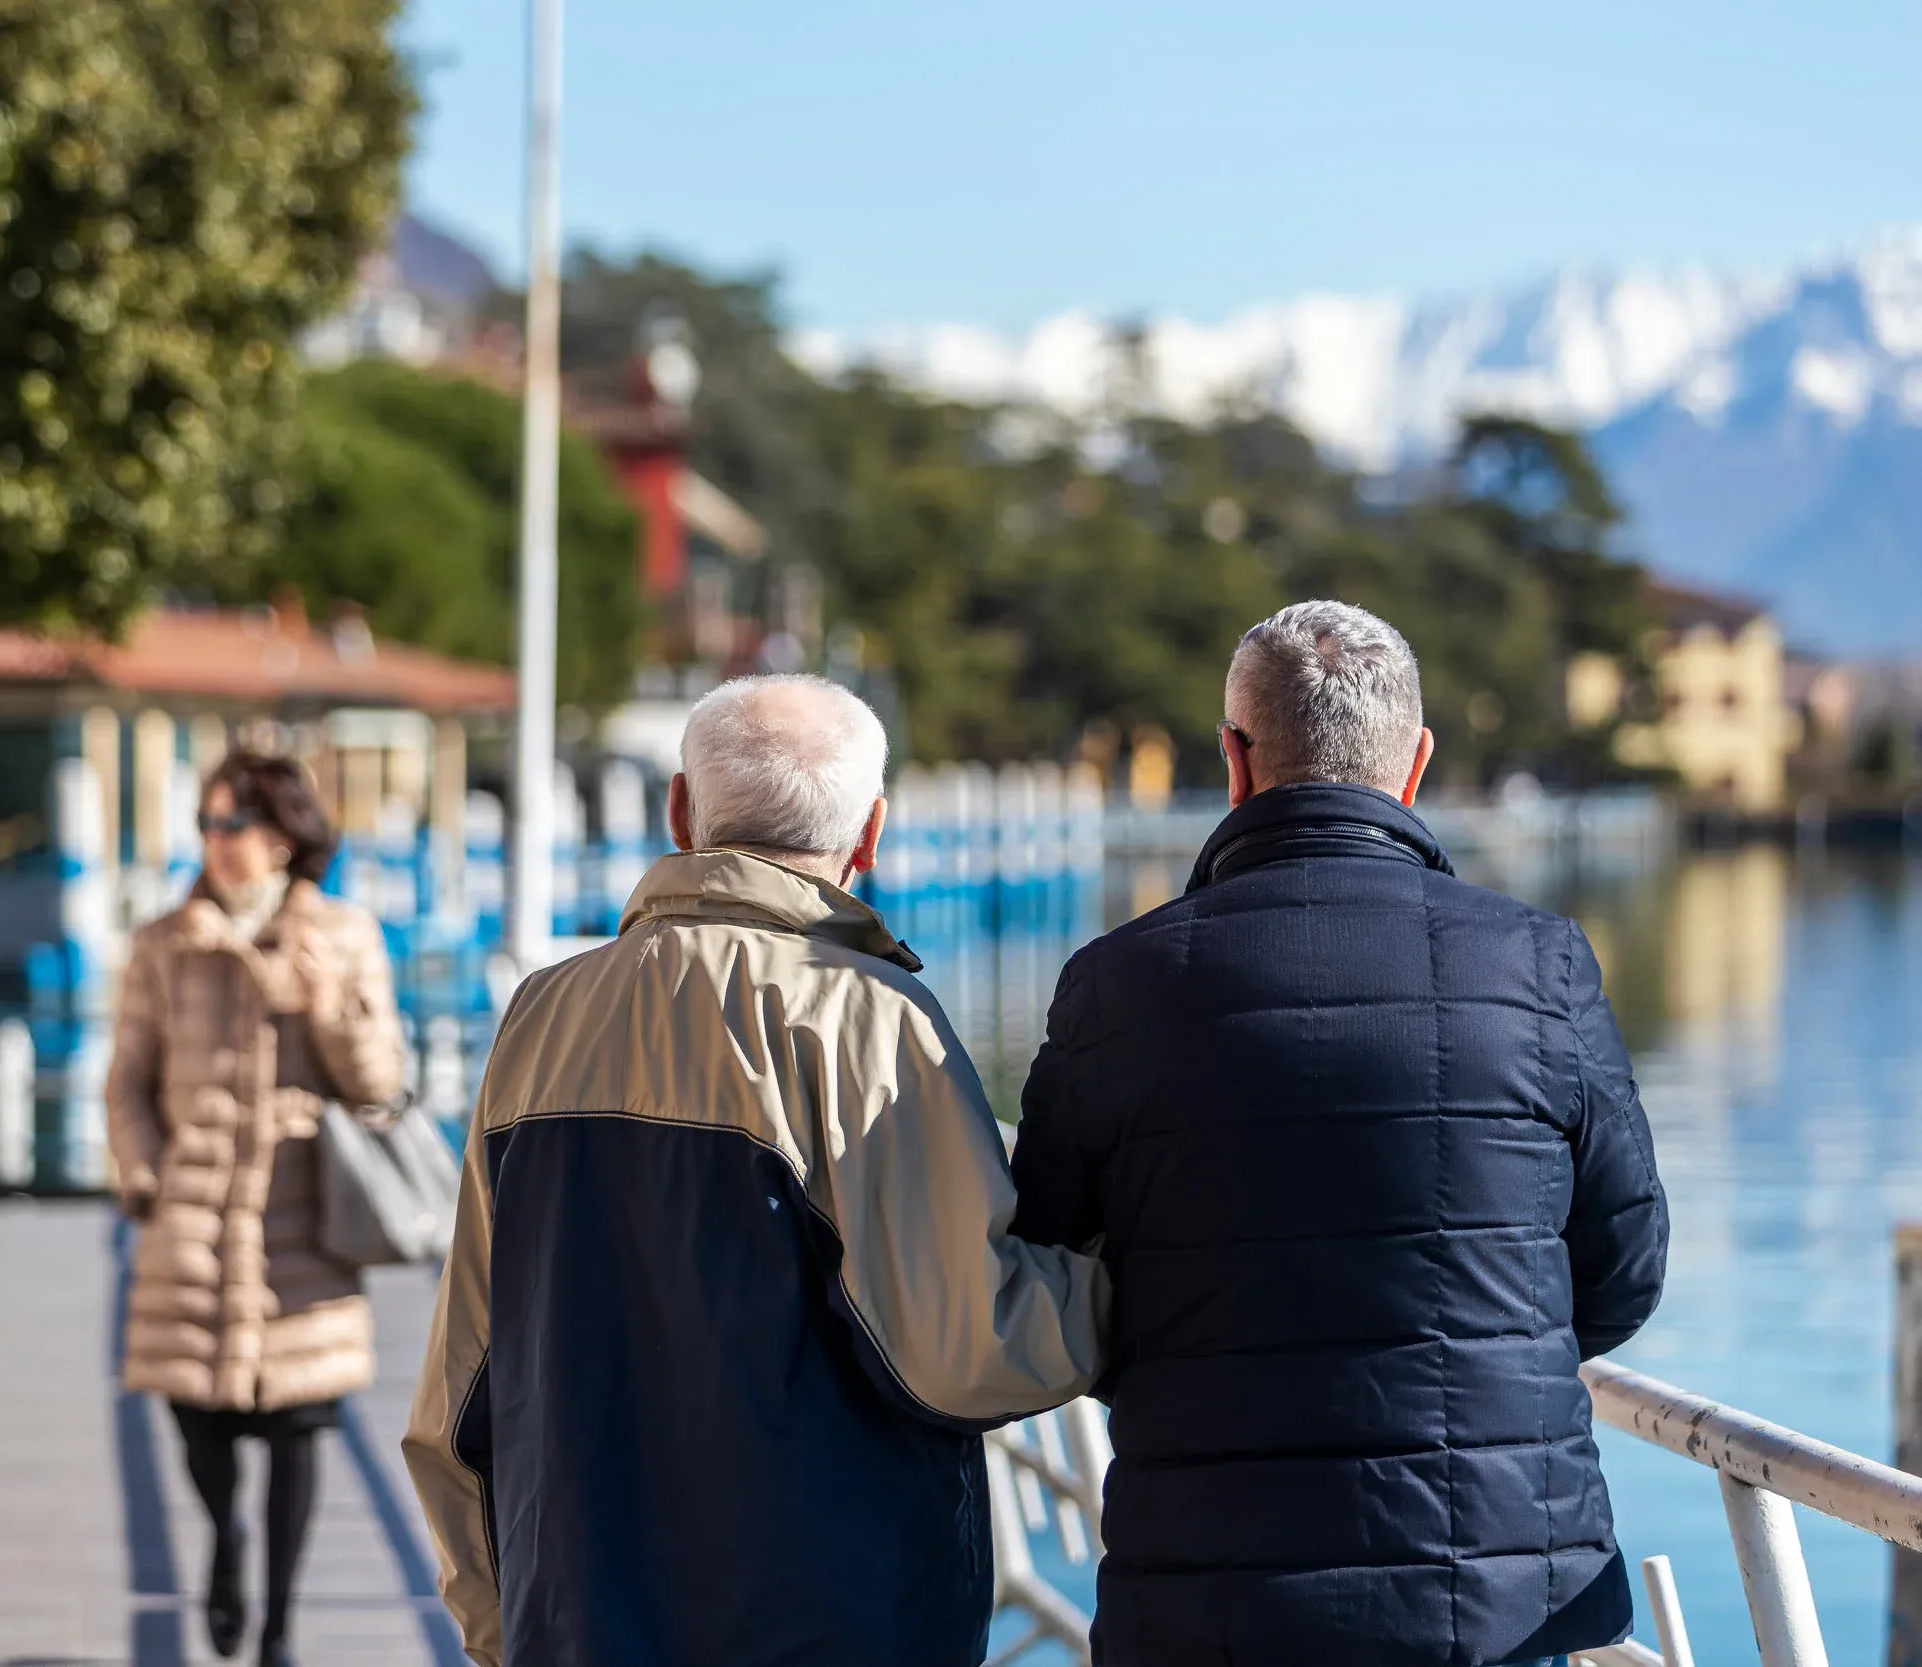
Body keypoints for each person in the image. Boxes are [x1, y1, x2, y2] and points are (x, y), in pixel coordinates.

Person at [1010, 600, 1670, 1667]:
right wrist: (1487, 1344)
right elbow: (1624, 1266)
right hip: (1494, 1599)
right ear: (1415, 763)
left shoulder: (1116, 983)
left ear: (1234, 758)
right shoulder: (1540, 963)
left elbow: (1047, 1258)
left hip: (1207, 1590)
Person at [405, 674, 1109, 1667]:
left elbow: (463, 1376)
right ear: (871, 832)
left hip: (576, 1617)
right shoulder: (869, 1018)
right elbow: (965, 1351)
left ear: (680, 812)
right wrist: (1125, 1279)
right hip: (834, 1624)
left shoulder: (541, 1015)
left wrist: (502, 1626)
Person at [106, 752, 406, 1667]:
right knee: (195, 1418)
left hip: (303, 1217)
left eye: (233, 823)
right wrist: (147, 1174)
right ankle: (225, 1540)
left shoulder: (343, 936)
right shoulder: (165, 942)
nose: (216, 840)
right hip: (193, 1211)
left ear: (283, 835)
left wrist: (328, 1009)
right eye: (207, 823)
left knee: (300, 1424)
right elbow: (127, 1079)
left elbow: (380, 1085)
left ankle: (277, 1626)